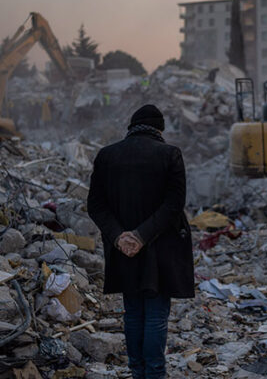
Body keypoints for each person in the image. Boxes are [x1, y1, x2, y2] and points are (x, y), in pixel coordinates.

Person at [87, 104, 194, 379]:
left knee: (133, 312)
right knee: (156, 315)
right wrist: (142, 236)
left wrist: (120, 236)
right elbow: (174, 204)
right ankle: (155, 374)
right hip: (160, 247)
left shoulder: (107, 155)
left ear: (131, 126)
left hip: (123, 250)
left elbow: (96, 205)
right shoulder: (170, 154)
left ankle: (137, 372)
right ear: (159, 129)